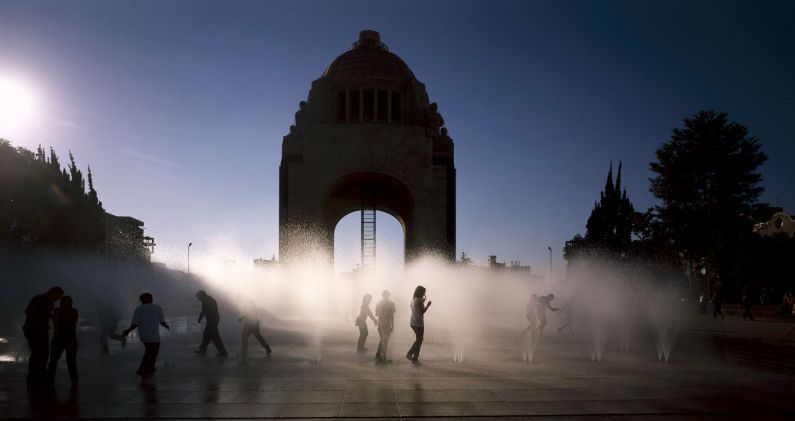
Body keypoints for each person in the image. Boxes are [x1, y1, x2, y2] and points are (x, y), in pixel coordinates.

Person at [122, 293, 170, 378]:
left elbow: (134, 324)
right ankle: (142, 369)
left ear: (141, 300)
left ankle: (150, 367)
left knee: (150, 351)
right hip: (154, 335)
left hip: (143, 334)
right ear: (152, 299)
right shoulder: (157, 307)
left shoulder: (139, 309)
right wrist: (166, 326)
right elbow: (162, 321)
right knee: (152, 352)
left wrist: (127, 331)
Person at [23, 286, 64, 387]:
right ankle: (33, 377)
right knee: (37, 353)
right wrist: (41, 323)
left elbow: (44, 313)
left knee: (44, 353)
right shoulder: (38, 299)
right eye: (58, 296)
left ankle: (40, 376)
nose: (58, 299)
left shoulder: (50, 302)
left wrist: (50, 317)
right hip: (32, 330)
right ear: (52, 293)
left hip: (42, 331)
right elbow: (29, 312)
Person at [47, 295, 79, 384]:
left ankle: (50, 380)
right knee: (71, 361)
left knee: (53, 361)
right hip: (71, 339)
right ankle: (74, 380)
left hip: (59, 338)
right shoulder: (74, 311)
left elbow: (52, 316)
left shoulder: (57, 311)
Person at [195, 290, 228, 357]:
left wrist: (199, 319)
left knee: (214, 336)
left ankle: (223, 352)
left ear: (202, 296)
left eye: (198, 297)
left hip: (212, 320)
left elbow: (204, 311)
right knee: (207, 334)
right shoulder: (208, 299)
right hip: (213, 319)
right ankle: (203, 348)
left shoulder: (206, 301)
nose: (198, 299)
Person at [406, 286, 432, 364]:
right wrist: (428, 305)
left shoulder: (413, 300)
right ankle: (413, 357)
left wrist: (422, 302)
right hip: (418, 323)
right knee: (419, 340)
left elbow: (416, 308)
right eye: (424, 292)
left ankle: (412, 356)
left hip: (413, 322)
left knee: (419, 339)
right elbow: (422, 312)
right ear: (420, 292)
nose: (425, 293)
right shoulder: (419, 301)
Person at [374, 290, 395, 363]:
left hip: (381, 322)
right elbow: (392, 316)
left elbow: (376, 314)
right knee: (385, 340)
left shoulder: (378, 303)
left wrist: (381, 310)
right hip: (387, 323)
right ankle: (384, 358)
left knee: (383, 339)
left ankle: (378, 354)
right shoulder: (391, 303)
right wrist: (393, 325)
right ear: (388, 295)